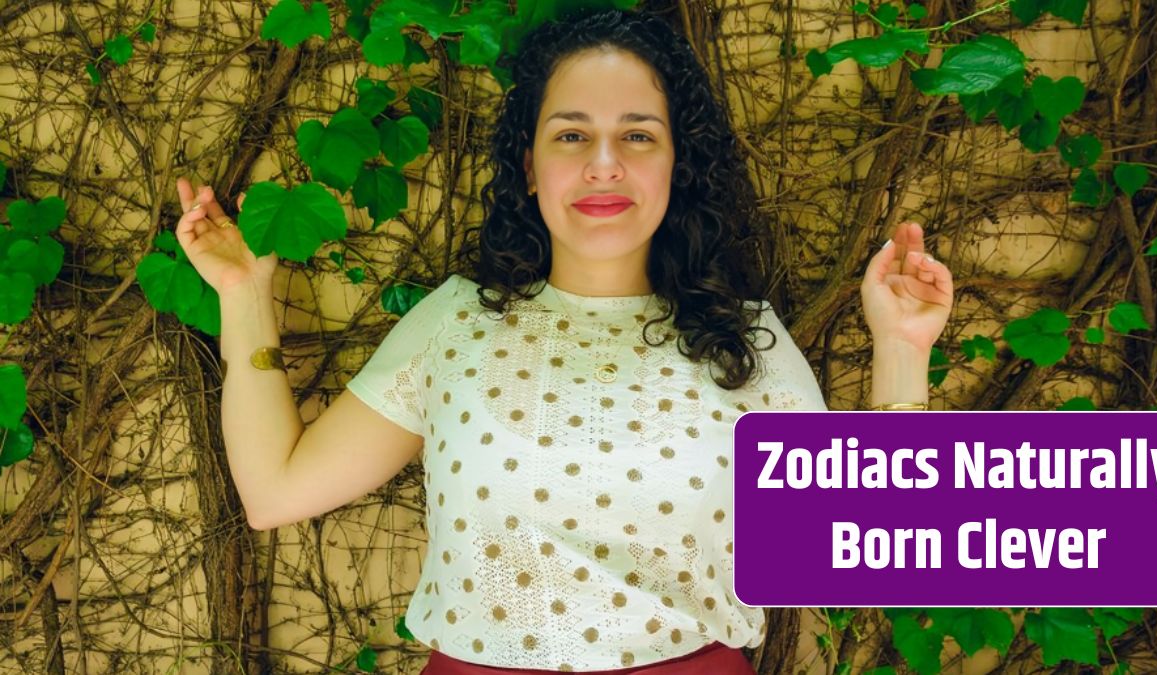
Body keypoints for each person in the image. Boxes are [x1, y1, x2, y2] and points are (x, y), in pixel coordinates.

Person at [172, 9, 952, 674]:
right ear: (530, 165)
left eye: (639, 136)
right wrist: (243, 296)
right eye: (572, 134)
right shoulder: (457, 323)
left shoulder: (745, 344)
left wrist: (902, 345)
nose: (603, 165)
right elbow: (275, 492)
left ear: (677, 166)